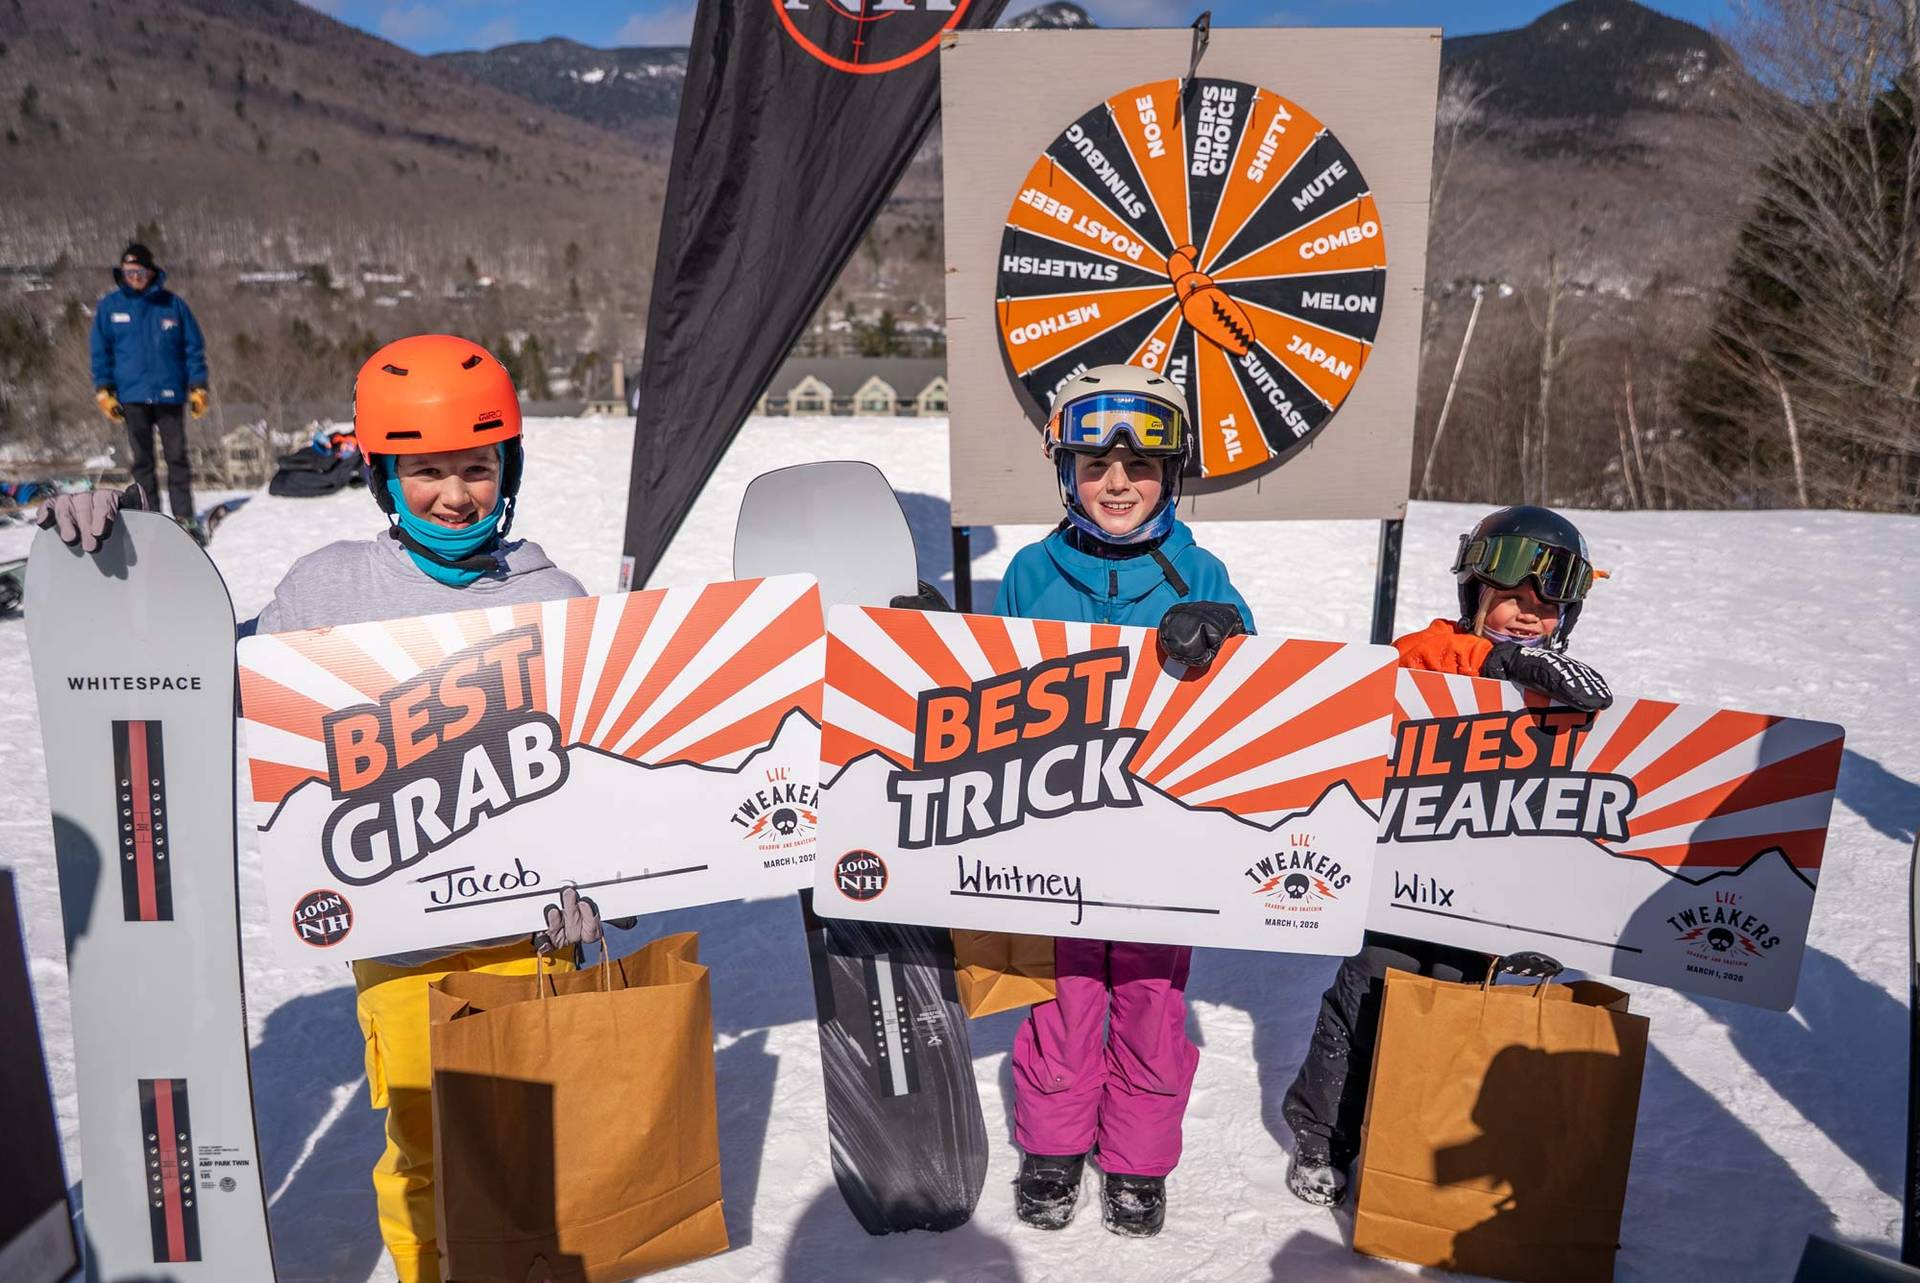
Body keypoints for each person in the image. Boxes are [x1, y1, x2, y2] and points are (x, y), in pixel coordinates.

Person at [46, 334, 596, 1283]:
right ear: (383, 476)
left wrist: (606, 893)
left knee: (532, 1149)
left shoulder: (556, 597)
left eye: (477, 466)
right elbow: (201, 667)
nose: (455, 494)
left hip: (527, 929)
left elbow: (601, 774)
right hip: (401, 933)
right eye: (426, 471)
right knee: (426, 1148)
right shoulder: (328, 587)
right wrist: (119, 555)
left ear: (509, 466)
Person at [1282, 504, 1614, 1210]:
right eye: (1511, 599)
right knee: (1367, 997)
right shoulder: (1437, 651)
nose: (1527, 617)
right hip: (1403, 879)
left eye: (1544, 607)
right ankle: (1323, 1134)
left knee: (1463, 1011)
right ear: (1475, 596)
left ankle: (1417, 1141)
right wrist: (1499, 662)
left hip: (1492, 892)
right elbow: (1406, 662)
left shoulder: (1563, 689)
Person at [995, 364, 1254, 1238]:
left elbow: (1258, 691)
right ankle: (1054, 1144)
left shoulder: (1200, 570)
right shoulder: (1030, 571)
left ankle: (1138, 1157)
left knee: (1150, 997)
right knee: (1062, 994)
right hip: (1057, 830)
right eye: (1096, 465)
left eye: (1139, 467)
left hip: (1162, 839)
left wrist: (1224, 631)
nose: (1117, 483)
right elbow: (988, 688)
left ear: (1170, 474)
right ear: (1064, 469)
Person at [90, 243, 211, 540]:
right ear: (122, 274)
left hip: (170, 393)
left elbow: (193, 347)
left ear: (151, 272)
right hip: (131, 396)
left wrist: (198, 386)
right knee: (143, 462)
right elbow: (100, 352)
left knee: (176, 458)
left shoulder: (172, 305)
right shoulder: (110, 307)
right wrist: (104, 390)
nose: (135, 278)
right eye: (129, 272)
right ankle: (151, 519)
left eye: (140, 272)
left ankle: (184, 518)